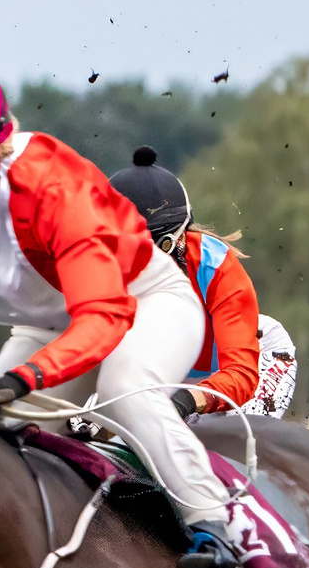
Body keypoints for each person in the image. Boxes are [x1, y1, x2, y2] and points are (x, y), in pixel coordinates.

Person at [0, 59, 260, 568]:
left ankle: (217, 536)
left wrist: (25, 378)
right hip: (51, 324)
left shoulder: (53, 188)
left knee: (127, 390)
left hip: (142, 302)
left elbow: (104, 317)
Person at [108, 146, 298, 419]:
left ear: (178, 238)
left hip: (251, 365)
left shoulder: (216, 265)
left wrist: (186, 399)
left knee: (230, 434)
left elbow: (240, 373)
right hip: (173, 375)